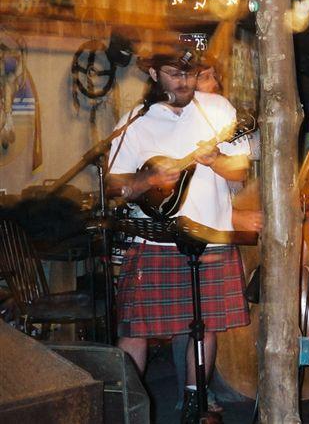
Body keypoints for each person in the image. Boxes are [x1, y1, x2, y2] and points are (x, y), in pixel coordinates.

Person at [106, 48, 251, 422]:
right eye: (174, 73)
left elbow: (240, 171)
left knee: (205, 326)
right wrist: (148, 180)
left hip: (209, 237)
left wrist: (216, 160)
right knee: (135, 327)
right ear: (154, 74)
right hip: (154, 238)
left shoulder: (217, 110)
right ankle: (125, 406)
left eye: (190, 73)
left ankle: (194, 400)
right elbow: (115, 184)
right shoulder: (135, 121)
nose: (184, 81)